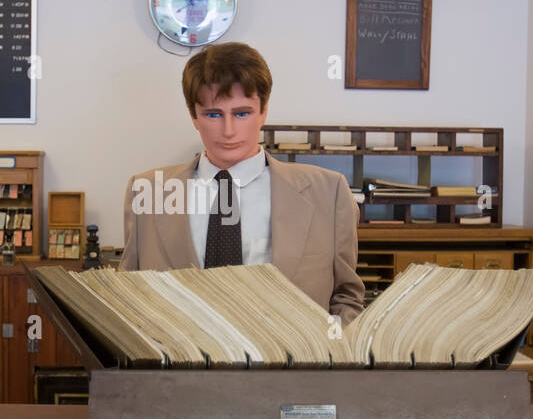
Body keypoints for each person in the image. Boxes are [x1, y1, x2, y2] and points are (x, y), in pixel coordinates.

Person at [119, 42, 365, 326]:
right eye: (213, 114)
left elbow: (346, 299)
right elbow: (130, 296)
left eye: (242, 113)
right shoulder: (148, 192)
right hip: (179, 366)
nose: (229, 131)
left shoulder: (329, 192)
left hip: (293, 365)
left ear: (264, 111)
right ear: (193, 116)